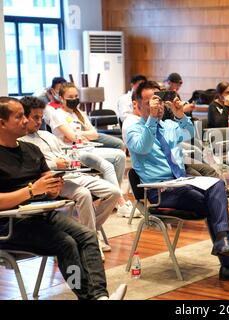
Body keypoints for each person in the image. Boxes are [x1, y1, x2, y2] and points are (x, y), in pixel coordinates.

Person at [126, 81, 229, 280]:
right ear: (137, 105)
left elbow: (190, 135)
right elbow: (143, 147)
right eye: (149, 102)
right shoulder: (133, 129)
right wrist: (152, 120)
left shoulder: (170, 125)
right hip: (158, 191)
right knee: (212, 203)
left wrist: (180, 114)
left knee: (217, 184)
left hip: (181, 182)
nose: (156, 105)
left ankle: (224, 244)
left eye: (158, 100)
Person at [0, 96, 127, 300]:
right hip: (9, 224)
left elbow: (44, 182)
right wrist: (32, 191)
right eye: (19, 117)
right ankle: (90, 297)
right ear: (2, 123)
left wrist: (52, 188)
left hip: (40, 213)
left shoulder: (31, 150)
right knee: (66, 243)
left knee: (87, 235)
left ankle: (100, 297)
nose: (26, 120)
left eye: (25, 115)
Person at [18, 96, 122, 260]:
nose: (39, 121)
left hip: (73, 174)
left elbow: (65, 152)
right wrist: (55, 164)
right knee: (83, 194)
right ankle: (91, 244)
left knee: (114, 192)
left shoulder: (47, 135)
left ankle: (87, 234)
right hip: (53, 181)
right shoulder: (20, 140)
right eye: (35, 117)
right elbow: (33, 167)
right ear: (24, 117)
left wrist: (70, 159)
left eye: (40, 117)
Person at [50, 82, 134, 218]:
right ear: (61, 98)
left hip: (88, 148)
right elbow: (72, 138)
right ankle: (121, 202)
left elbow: (94, 134)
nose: (74, 99)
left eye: (76, 96)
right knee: (107, 166)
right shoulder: (57, 114)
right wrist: (78, 135)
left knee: (120, 156)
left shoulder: (80, 113)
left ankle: (114, 199)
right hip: (72, 153)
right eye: (70, 97)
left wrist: (78, 135)